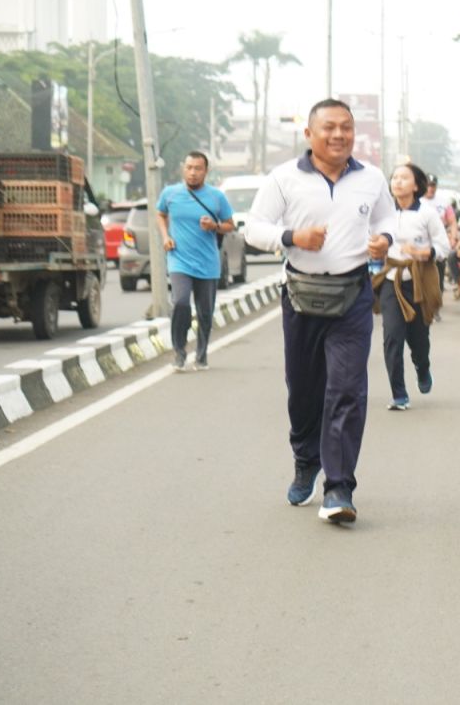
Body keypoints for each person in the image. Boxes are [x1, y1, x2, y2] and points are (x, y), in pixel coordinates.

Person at [245, 98, 396, 524]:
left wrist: (384, 240)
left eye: (346, 127)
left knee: (347, 390)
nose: (339, 135)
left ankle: (339, 486)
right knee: (304, 390)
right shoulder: (284, 178)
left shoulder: (372, 178)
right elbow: (253, 228)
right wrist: (293, 237)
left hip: (352, 295)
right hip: (301, 296)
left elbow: (389, 221)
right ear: (309, 134)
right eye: (329, 127)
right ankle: (305, 458)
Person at [377, 161, 450, 410]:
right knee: (392, 337)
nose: (397, 182)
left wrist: (423, 253)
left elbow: (444, 247)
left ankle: (422, 366)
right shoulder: (384, 212)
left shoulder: (427, 213)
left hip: (419, 280)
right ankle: (399, 394)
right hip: (391, 280)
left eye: (404, 178)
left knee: (419, 338)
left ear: (416, 185)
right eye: (394, 177)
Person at [155, 151, 234, 372]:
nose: (192, 172)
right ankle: (179, 352)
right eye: (189, 167)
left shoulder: (216, 197)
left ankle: (201, 354)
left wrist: (214, 226)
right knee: (180, 302)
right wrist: (165, 237)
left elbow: (230, 224)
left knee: (205, 313)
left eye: (197, 168)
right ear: (183, 168)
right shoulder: (170, 194)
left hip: (208, 263)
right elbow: (160, 214)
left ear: (205, 171)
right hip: (179, 260)